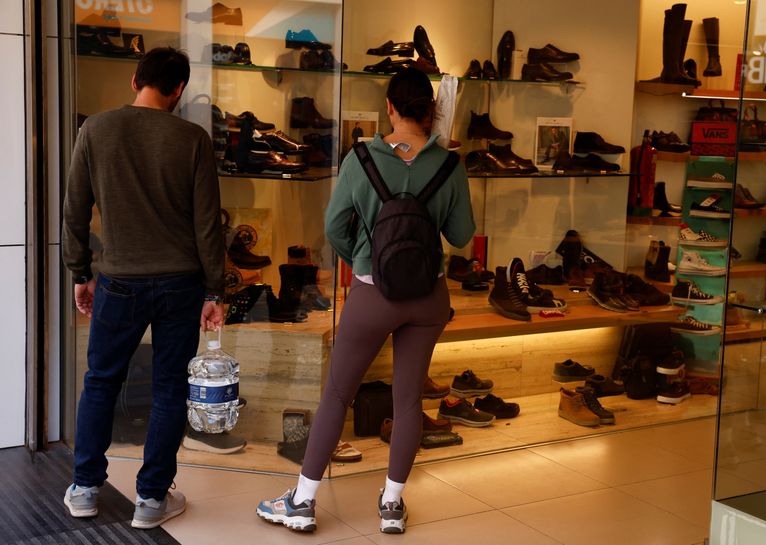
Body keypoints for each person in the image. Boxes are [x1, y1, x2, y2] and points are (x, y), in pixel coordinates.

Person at [256, 67, 476, 535]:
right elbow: (460, 235)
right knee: (409, 399)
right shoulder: (451, 166)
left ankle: (301, 501)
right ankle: (392, 504)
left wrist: (363, 255)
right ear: (430, 111)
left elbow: (335, 227)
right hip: (428, 297)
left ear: (390, 109)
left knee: (338, 392)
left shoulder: (361, 159)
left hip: (372, 293)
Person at [61, 47, 226, 529]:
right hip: (181, 283)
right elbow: (208, 226)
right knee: (169, 387)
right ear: (178, 90)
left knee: (100, 382)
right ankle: (152, 500)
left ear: (135, 80)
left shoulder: (95, 129)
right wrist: (215, 291)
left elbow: (75, 211)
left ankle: (86, 488)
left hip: (120, 281)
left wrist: (79, 273)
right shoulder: (192, 139)